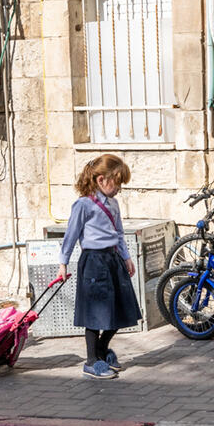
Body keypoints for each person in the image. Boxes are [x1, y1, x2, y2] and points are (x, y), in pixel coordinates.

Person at [57, 154, 141, 380]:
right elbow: (71, 235)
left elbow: (119, 233)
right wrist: (63, 263)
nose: (119, 189)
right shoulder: (83, 205)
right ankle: (92, 361)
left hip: (113, 260)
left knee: (121, 309)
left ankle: (103, 349)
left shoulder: (113, 204)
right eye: (117, 182)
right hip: (93, 262)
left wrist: (126, 257)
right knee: (95, 315)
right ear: (101, 179)